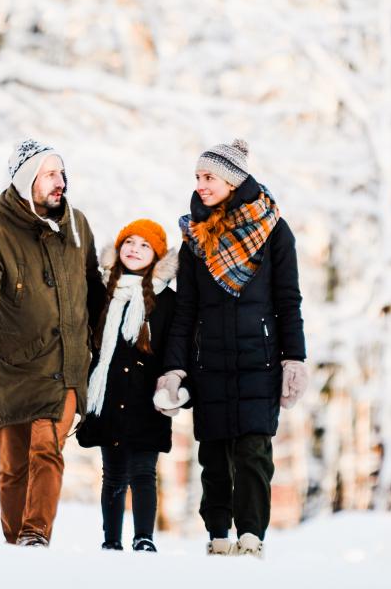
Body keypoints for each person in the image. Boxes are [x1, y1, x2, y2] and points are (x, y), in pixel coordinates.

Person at [158, 139, 308, 557]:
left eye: (209, 177)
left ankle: (252, 537)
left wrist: (294, 358)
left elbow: (287, 300)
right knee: (214, 454)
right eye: (198, 178)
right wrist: (175, 368)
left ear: (232, 180)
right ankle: (218, 535)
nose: (201, 185)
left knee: (253, 452)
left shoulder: (274, 229)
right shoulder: (194, 236)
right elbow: (185, 310)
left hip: (260, 360)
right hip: (211, 363)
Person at [0, 138, 103, 547]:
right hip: (14, 368)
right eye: (50, 174)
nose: (61, 182)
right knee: (12, 467)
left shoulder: (78, 225)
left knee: (47, 446)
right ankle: (14, 542)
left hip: (66, 366)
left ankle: (35, 535)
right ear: (27, 182)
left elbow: (93, 288)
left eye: (62, 173)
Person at [77, 219, 180, 553]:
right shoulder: (103, 290)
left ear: (157, 255)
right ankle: (110, 541)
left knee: (144, 472)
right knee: (113, 473)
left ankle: (144, 538)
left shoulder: (167, 300)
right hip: (108, 395)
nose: (134, 249)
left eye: (144, 245)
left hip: (145, 397)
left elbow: (173, 348)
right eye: (129, 242)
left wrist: (171, 387)